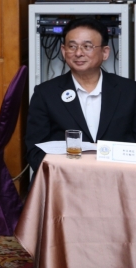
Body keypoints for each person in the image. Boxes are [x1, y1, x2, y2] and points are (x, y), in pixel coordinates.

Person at [25, 17, 136, 173]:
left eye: (87, 46)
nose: (78, 53)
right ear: (64, 51)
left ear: (105, 52)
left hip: (120, 179)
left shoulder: (130, 91)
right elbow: (35, 151)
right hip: (65, 180)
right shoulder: (46, 93)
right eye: (72, 46)